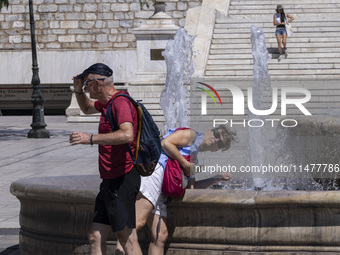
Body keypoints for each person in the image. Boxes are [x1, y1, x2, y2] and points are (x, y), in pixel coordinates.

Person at [115, 125, 238, 255]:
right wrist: (185, 164)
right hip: (154, 173)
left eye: (219, 143)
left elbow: (192, 188)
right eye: (217, 134)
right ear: (208, 131)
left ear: (215, 150)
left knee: (160, 236)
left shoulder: (194, 157)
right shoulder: (192, 134)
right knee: (137, 222)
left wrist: (216, 178)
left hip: (162, 189)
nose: (216, 139)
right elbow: (165, 143)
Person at [69, 63, 142, 255]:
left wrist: (90, 139)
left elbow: (127, 134)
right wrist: (78, 91)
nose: (85, 88)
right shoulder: (108, 103)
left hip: (123, 178)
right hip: (110, 179)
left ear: (97, 83)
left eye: (86, 84)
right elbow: (87, 108)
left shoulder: (120, 103)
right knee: (95, 235)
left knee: (127, 239)